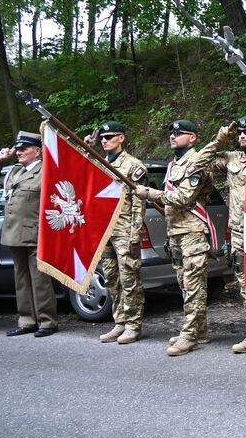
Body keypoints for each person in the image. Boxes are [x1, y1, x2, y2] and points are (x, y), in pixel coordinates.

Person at [194, 116, 246, 355]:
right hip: (240, 231)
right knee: (245, 283)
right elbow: (200, 163)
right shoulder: (231, 158)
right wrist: (220, 139)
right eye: (239, 132)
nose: (242, 135)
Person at [135, 120, 217, 356]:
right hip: (176, 232)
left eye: (180, 133)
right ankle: (200, 331)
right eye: (172, 133)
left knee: (193, 286)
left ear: (193, 138)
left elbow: (183, 198)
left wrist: (150, 193)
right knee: (184, 283)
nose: (173, 136)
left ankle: (189, 335)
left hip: (192, 232)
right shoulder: (174, 164)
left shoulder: (196, 163)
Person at [84, 121, 148, 344]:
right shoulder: (100, 163)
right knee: (111, 277)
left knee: (129, 278)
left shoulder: (133, 165)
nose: (104, 140)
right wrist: (87, 150)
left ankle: (133, 325)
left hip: (124, 229)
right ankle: (119, 321)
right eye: (102, 137)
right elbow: (84, 177)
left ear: (121, 138)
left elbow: (139, 204)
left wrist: (135, 234)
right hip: (105, 230)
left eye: (110, 137)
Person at [0, 131, 59, 337]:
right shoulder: (13, 171)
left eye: (24, 149)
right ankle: (27, 320)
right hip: (13, 233)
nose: (19, 152)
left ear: (37, 151)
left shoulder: (46, 170)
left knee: (39, 279)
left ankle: (47, 322)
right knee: (21, 279)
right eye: (18, 149)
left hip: (35, 233)